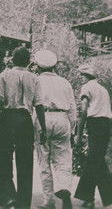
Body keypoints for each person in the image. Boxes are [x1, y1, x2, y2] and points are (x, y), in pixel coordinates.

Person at [0, 46, 47, 209]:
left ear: (12, 60)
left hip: (8, 118)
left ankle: (7, 196)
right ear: (28, 62)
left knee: (2, 157)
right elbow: (39, 105)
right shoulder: (34, 78)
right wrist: (44, 130)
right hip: (25, 120)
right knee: (25, 161)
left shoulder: (5, 75)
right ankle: (23, 203)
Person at [74, 65, 112, 209]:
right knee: (93, 159)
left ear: (85, 75)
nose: (80, 78)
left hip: (95, 124)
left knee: (96, 161)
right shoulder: (103, 90)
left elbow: (84, 110)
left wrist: (78, 133)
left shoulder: (86, 88)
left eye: (81, 75)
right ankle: (88, 198)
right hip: (105, 125)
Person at [33, 50, 77, 209]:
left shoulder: (36, 81)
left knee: (44, 161)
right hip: (62, 118)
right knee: (63, 159)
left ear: (38, 66)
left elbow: (32, 105)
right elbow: (72, 108)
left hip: (42, 118)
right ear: (54, 66)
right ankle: (64, 189)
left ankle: (48, 201)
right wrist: (72, 130)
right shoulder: (65, 83)